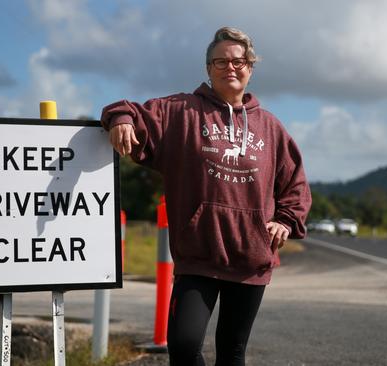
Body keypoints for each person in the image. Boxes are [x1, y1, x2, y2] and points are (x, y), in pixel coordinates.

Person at [101, 26, 312, 365]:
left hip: (250, 258)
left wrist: (285, 222)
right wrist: (122, 119)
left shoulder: (271, 128)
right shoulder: (181, 112)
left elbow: (295, 184)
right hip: (198, 255)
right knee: (183, 348)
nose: (231, 67)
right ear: (208, 69)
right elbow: (128, 110)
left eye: (239, 61)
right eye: (221, 61)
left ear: (251, 67)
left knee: (232, 351)